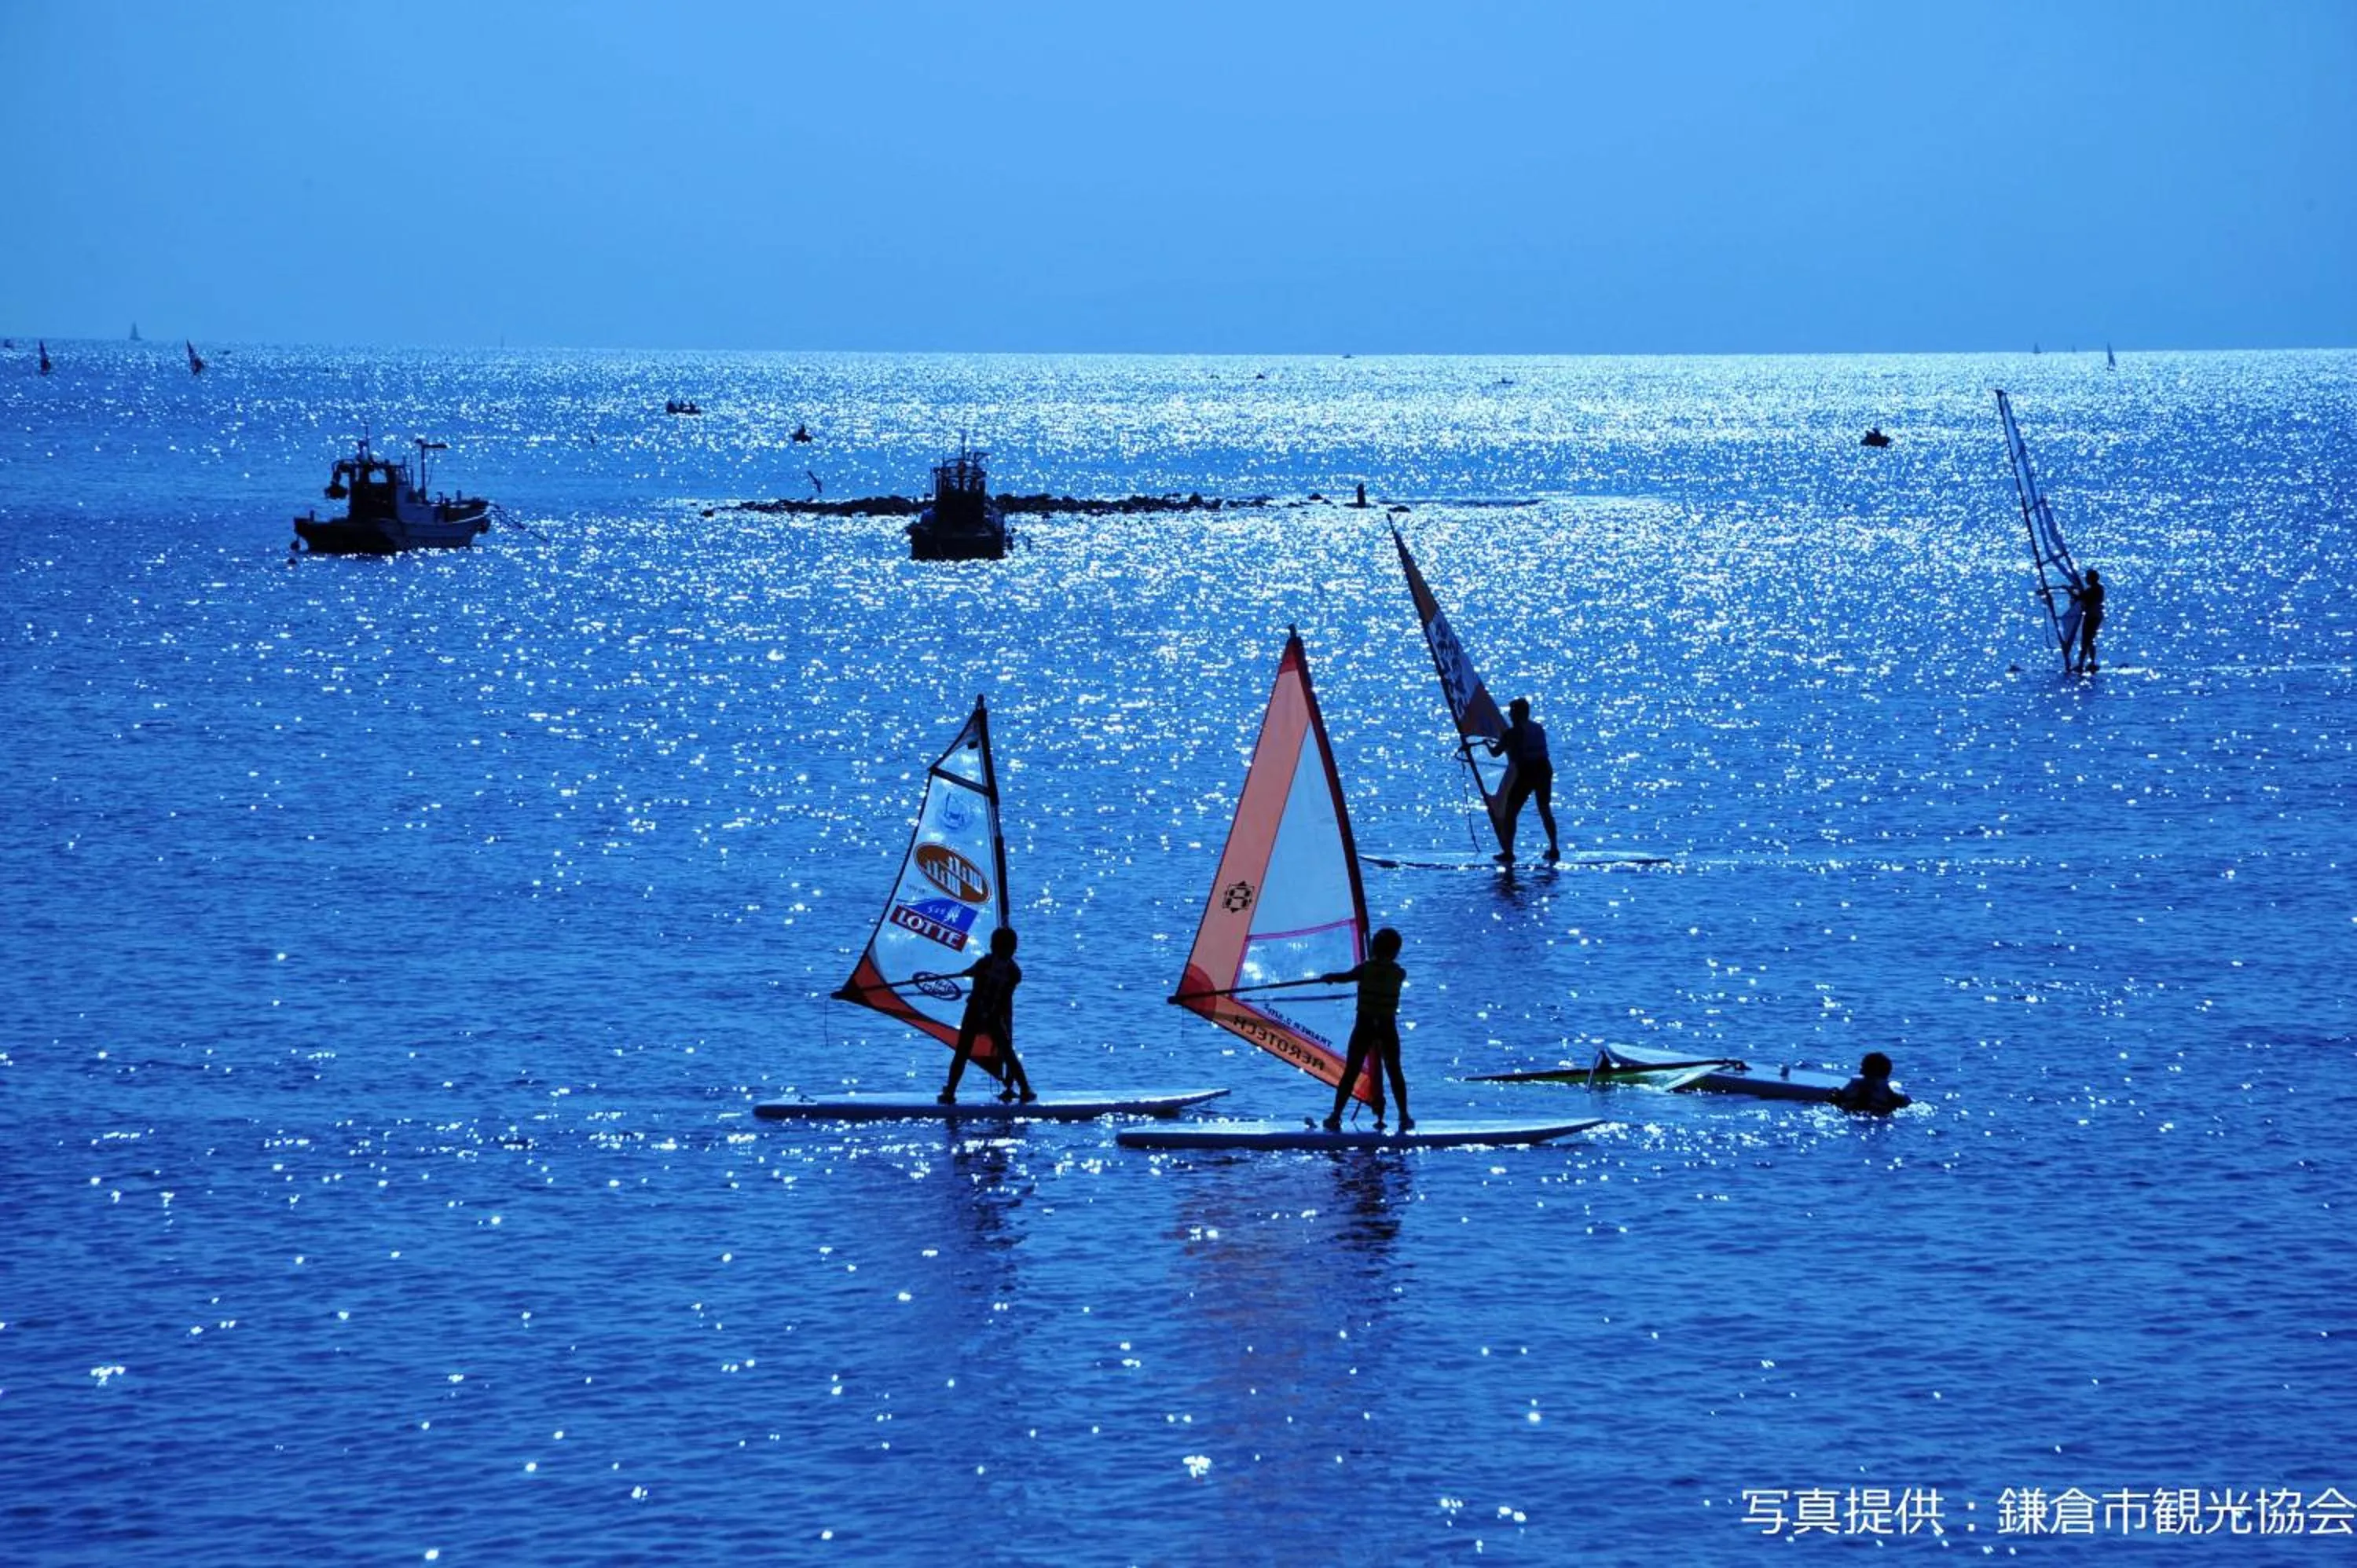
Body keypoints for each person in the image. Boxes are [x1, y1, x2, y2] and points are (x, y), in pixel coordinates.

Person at [1321, 928, 1411, 1133]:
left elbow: (1345, 977)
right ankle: (1404, 1116)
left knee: (1351, 1072)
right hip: (1387, 1030)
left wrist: (1329, 977)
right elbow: (1379, 972)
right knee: (1394, 1072)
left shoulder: (1364, 969)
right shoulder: (1400, 973)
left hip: (1365, 1028)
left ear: (1373, 948)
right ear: (1396, 952)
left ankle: (1335, 1116)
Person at [940, 927, 1035, 1104]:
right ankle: (1025, 1089)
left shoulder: (988, 965)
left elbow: (995, 987)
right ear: (1013, 948)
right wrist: (972, 972)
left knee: (966, 1052)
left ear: (992, 946)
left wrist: (970, 972)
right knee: (1003, 1052)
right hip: (987, 1015)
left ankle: (950, 1092)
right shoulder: (1010, 971)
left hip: (981, 1014)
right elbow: (1004, 998)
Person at [1484, 698, 1560, 864]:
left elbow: (1495, 753)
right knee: (1544, 809)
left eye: (1512, 712)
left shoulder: (1512, 733)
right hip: (1544, 769)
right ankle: (1554, 848)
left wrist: (1485, 744)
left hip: (1528, 773)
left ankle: (1508, 852)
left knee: (1511, 812)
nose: (1510, 715)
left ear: (1519, 713)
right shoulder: (1538, 728)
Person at [1831, 1051, 1911, 1115]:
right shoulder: (1894, 1095)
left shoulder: (1846, 1090)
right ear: (1888, 1073)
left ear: (1862, 1071)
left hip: (1850, 1115)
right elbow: (1907, 1104)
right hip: (1878, 1119)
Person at [2070, 568, 2106, 672]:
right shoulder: (2097, 589)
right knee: (2089, 640)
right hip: (2095, 616)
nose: (2085, 579)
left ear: (2092, 579)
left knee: (2086, 640)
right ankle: (2090, 663)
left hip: (2092, 617)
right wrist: (2073, 591)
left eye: (2087, 578)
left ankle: (2083, 664)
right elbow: (2082, 596)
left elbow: (2081, 597)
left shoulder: (2095, 590)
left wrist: (2070, 590)